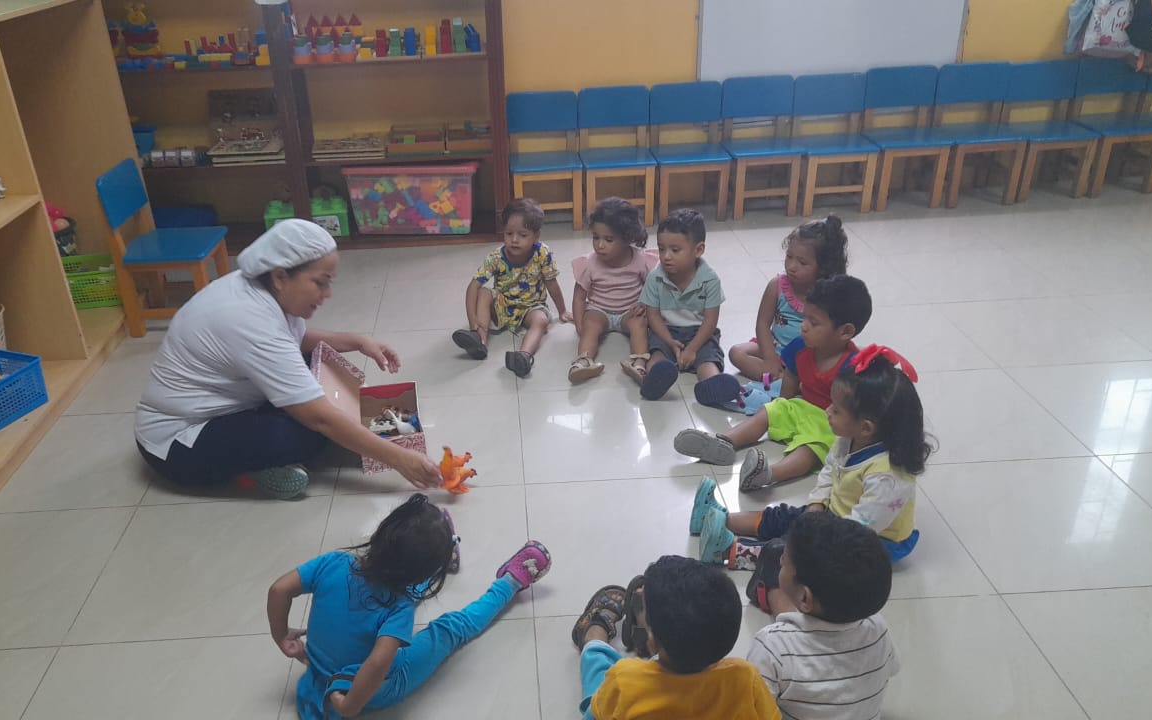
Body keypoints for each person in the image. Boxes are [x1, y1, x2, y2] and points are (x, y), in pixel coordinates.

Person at [135, 220, 441, 499]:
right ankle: (256, 470)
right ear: (281, 276)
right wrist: (401, 459)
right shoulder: (248, 319)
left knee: (317, 372)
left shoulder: (261, 288)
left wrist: (357, 342)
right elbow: (318, 417)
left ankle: (280, 445)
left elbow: (292, 341)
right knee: (310, 432)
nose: (327, 294)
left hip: (228, 403)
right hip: (180, 443)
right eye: (320, 282)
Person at [267, 494, 551, 720]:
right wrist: (351, 705)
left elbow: (279, 589)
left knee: (392, 578)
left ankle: (439, 548)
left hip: (319, 667)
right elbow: (378, 664)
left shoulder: (333, 562)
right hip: (373, 690)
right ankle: (509, 583)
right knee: (451, 629)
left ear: (380, 532)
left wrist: (282, 635)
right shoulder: (399, 609)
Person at [695, 344, 931, 568]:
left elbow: (862, 527)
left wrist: (818, 532)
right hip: (835, 516)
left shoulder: (888, 477)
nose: (827, 411)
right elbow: (829, 471)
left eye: (836, 410)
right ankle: (715, 519)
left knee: (797, 551)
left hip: (865, 542)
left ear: (866, 427)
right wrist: (817, 504)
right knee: (784, 517)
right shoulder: (848, 438)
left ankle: (728, 552)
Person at [674, 275, 873, 492]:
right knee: (768, 411)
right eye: (804, 318)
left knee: (812, 447)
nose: (804, 327)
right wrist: (782, 404)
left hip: (829, 421)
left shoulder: (854, 367)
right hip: (801, 406)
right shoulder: (801, 346)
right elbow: (791, 376)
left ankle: (769, 474)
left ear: (845, 332)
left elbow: (858, 410)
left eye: (814, 323)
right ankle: (725, 441)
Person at [568, 555, 779, 720]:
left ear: (652, 642)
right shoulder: (745, 678)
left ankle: (595, 635)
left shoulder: (624, 680)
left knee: (599, 676)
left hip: (626, 691)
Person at [744, 512, 901, 720]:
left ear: (804, 597)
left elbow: (752, 710)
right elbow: (892, 670)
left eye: (784, 561)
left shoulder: (772, 646)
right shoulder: (877, 627)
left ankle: (769, 589)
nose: (781, 560)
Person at [451, 198, 572, 378]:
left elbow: (551, 282)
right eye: (509, 233)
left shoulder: (543, 253)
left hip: (531, 307)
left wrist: (562, 311)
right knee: (484, 292)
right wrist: (473, 322)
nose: (514, 240)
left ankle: (523, 356)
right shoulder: (496, 258)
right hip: (502, 305)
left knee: (541, 320)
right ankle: (479, 339)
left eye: (522, 235)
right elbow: (473, 286)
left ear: (536, 236)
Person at [728, 215, 849, 383]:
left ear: (823, 267)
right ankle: (783, 377)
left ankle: (786, 379)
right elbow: (762, 324)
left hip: (810, 355)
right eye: (789, 256)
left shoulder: (829, 296)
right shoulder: (777, 285)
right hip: (775, 347)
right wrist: (770, 358)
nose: (792, 266)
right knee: (736, 353)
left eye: (802, 263)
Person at [638, 209, 728, 402]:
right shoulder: (655, 277)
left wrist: (692, 348)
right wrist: (670, 341)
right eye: (661, 249)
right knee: (657, 355)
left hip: (700, 333)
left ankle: (712, 386)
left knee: (708, 359)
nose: (666, 256)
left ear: (698, 250)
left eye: (675, 250)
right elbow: (653, 316)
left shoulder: (710, 279)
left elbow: (710, 321)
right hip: (666, 331)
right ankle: (653, 380)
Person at [568, 197, 658, 385]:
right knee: (590, 326)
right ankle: (583, 362)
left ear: (627, 238)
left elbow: (653, 286)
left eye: (608, 239)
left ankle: (639, 363)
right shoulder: (589, 263)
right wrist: (579, 324)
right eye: (596, 238)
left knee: (640, 325)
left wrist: (644, 303)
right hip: (599, 310)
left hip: (629, 310)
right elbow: (579, 297)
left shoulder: (641, 260)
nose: (600, 245)